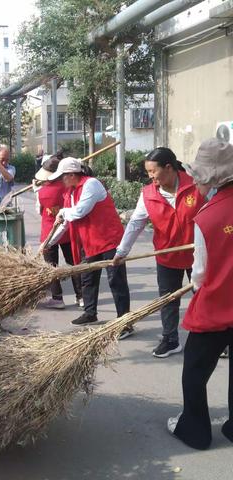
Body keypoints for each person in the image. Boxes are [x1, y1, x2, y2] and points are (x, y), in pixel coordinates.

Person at [167, 138, 233, 450]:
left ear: (212, 178)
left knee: (194, 371)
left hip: (218, 308)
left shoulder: (207, 217)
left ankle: (195, 431)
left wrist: (196, 284)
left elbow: (200, 275)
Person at [113, 147, 206, 357]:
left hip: (199, 253)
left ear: (169, 168)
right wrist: (122, 251)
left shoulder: (197, 185)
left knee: (204, 296)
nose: (150, 176)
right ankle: (170, 339)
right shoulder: (148, 194)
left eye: (153, 171)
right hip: (167, 255)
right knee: (168, 299)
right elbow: (136, 223)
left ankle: (215, 338)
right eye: (148, 172)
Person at [45, 157, 130, 328]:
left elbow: (79, 212)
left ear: (72, 174)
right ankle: (90, 313)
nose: (61, 181)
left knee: (116, 280)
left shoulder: (91, 184)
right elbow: (66, 223)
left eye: (63, 176)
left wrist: (62, 212)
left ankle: (125, 321)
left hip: (109, 240)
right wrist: (48, 243)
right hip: (90, 242)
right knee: (88, 278)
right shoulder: (70, 193)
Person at [36, 157, 83, 309]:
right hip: (69, 230)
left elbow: (40, 210)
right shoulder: (69, 187)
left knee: (52, 266)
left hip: (50, 231)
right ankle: (81, 296)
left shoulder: (43, 191)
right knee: (74, 263)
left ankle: (57, 298)